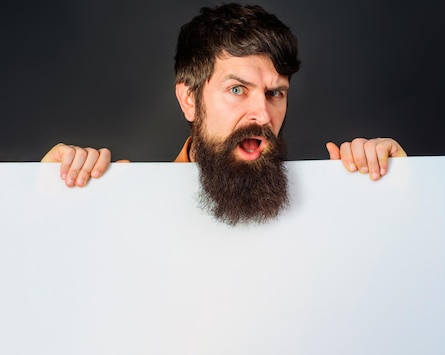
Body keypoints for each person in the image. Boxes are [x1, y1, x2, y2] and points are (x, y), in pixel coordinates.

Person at [41, 3, 407, 224]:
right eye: (237, 90)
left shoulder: (332, 207)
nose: (262, 115)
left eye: (275, 93)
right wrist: (44, 198)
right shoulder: (125, 206)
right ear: (189, 100)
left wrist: (397, 188)